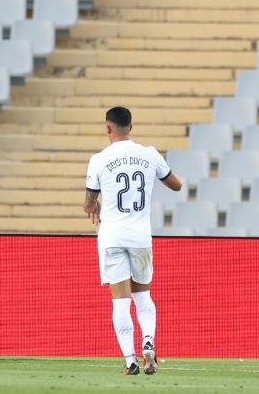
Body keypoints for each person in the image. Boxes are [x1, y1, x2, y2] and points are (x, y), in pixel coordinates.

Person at [82, 106, 183, 376]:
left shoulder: (99, 160)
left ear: (108, 128)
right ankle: (148, 342)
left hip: (112, 236)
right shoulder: (148, 154)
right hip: (140, 236)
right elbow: (176, 185)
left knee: (120, 302)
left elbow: (89, 203)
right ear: (131, 127)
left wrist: (95, 205)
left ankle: (131, 361)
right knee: (143, 296)